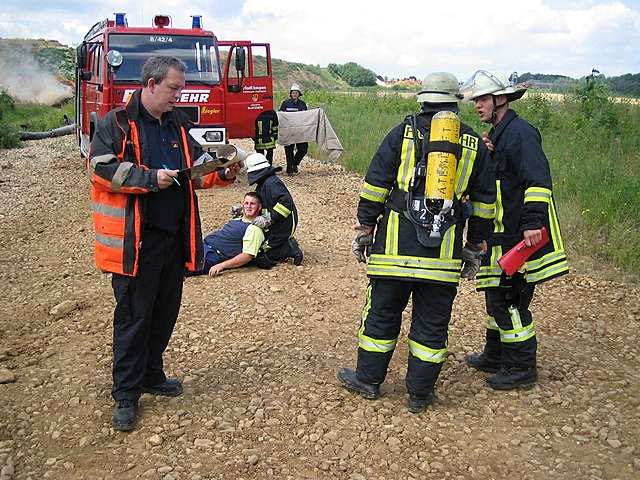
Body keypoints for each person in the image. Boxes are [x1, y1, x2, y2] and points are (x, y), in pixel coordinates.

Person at [88, 56, 240, 431]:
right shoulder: (117, 124)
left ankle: (152, 374)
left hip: (175, 241)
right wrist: (150, 178)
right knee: (134, 319)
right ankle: (125, 394)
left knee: (164, 312)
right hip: (136, 244)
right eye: (174, 88)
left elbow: (196, 169)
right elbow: (101, 168)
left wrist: (221, 172)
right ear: (152, 84)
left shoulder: (176, 124)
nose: (179, 95)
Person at [338, 72, 496, 412]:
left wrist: (365, 229)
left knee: (380, 317)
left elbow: (375, 184)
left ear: (422, 98)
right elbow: (484, 203)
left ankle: (368, 381)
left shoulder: (402, 133)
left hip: (393, 254)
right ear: (456, 102)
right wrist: (474, 246)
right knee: (431, 325)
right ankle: (420, 394)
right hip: (442, 258)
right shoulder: (471, 144)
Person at [463, 70, 569, 390]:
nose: (477, 106)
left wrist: (533, 223)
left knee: (510, 298)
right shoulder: (499, 134)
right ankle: (495, 355)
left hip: (520, 235)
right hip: (502, 233)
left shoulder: (521, 133)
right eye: (476, 100)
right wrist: (486, 155)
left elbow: (537, 181)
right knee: (495, 296)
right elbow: (501, 181)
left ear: (501, 100)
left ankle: (521, 366)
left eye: (482, 99)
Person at [245, 152, 304, 266]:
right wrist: (242, 209)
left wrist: (269, 218)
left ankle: (289, 248)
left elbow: (287, 203)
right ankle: (283, 244)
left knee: (262, 255)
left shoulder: (272, 183)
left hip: (283, 225)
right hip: (275, 225)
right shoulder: (263, 184)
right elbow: (259, 202)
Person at [187, 192, 265, 276]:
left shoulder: (254, 229)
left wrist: (221, 265)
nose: (248, 206)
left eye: (252, 204)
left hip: (212, 255)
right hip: (201, 246)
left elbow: (247, 255)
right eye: (246, 203)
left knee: (177, 268)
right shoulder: (237, 220)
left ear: (259, 207)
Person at [279, 83, 308, 175]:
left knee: (303, 149)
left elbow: (307, 116)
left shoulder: (303, 104)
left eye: (296, 93)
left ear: (299, 94)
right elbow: (281, 115)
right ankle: (289, 170)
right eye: (293, 93)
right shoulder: (285, 103)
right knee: (289, 150)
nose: (295, 94)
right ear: (291, 94)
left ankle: (294, 163)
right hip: (289, 131)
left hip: (300, 131)